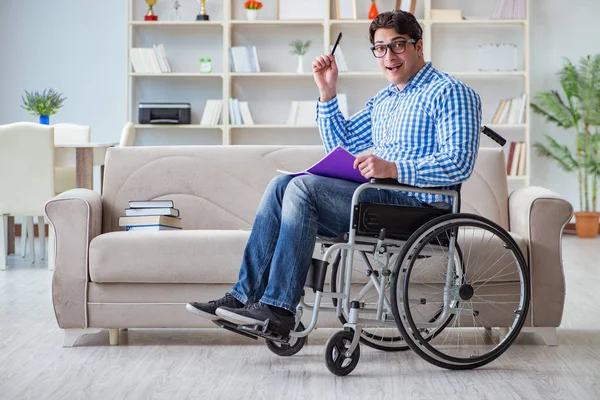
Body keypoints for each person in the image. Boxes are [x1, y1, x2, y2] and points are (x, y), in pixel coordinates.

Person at [186, 10, 482, 334]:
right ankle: (243, 298)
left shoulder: (451, 93)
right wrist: (327, 93)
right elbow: (340, 147)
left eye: (397, 45)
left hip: (418, 210)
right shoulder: (384, 100)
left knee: (303, 189)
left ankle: (279, 309)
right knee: (282, 185)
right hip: (375, 202)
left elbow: (458, 162)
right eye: (380, 48)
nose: (389, 56)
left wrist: (394, 167)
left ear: (419, 46)